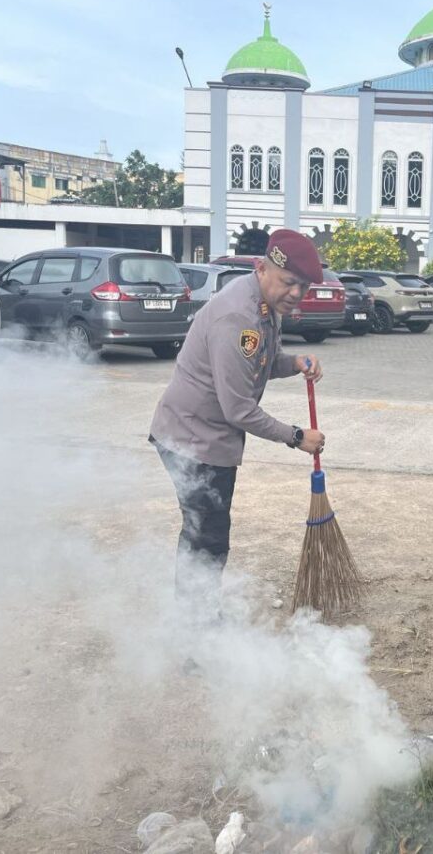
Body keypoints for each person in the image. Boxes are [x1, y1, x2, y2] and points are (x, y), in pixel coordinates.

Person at [150, 228, 326, 619]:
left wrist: (295, 363)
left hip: (207, 437)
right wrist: (296, 437)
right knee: (205, 538)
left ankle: (200, 621)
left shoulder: (266, 306)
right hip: (191, 439)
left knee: (207, 536)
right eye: (290, 283)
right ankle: (195, 636)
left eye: (303, 286)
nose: (296, 294)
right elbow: (239, 410)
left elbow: (260, 363)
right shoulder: (238, 318)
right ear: (262, 268)